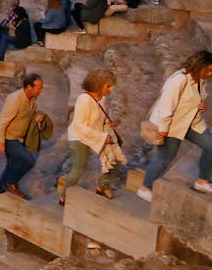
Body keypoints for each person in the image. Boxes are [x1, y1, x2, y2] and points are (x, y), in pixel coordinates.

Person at [140, 50, 212, 200]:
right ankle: (145, 188)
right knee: (165, 158)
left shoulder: (200, 80)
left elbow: (193, 101)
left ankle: (202, 181)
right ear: (201, 66)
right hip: (172, 126)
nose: (210, 74)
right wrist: (164, 129)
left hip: (191, 124)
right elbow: (166, 106)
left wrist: (201, 107)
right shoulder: (179, 79)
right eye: (209, 70)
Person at [58, 69, 123, 204]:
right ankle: (64, 196)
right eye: (108, 86)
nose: (110, 90)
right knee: (79, 168)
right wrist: (102, 137)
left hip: (95, 135)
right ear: (99, 84)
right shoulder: (84, 99)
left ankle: (102, 187)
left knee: (114, 160)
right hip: (79, 136)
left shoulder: (102, 99)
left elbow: (99, 117)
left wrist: (106, 122)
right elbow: (80, 126)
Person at [0, 73, 47, 200]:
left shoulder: (33, 99)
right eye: (38, 88)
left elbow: (27, 116)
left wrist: (36, 119)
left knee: (11, 166)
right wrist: (1, 142)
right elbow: (3, 121)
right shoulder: (15, 99)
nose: (41, 90)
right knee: (29, 160)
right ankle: (10, 184)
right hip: (9, 138)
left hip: (19, 138)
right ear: (29, 87)